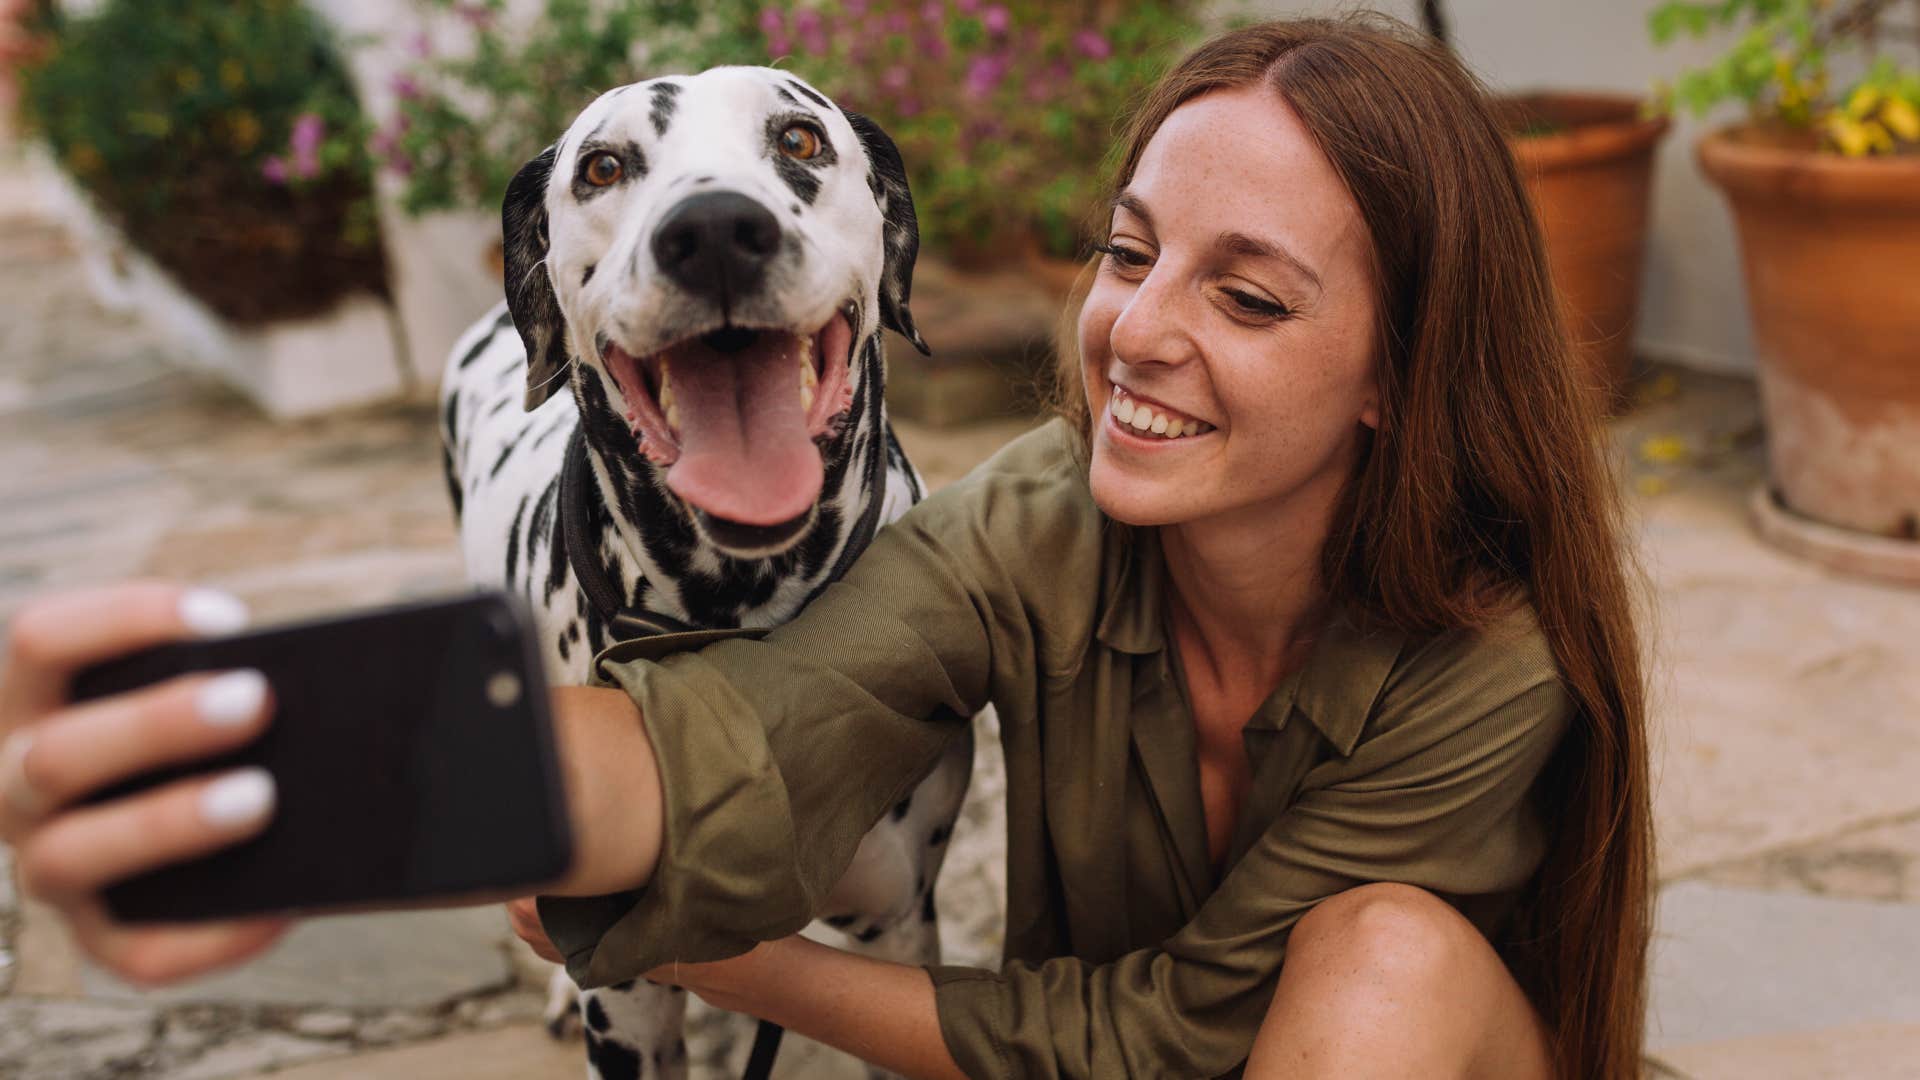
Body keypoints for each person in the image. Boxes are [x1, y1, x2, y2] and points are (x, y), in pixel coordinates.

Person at [0, 16, 1650, 1078]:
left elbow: (1163, 1033)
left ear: (1399, 372)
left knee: (1378, 962)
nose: (1136, 332)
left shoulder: (1495, 671)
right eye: (1128, 251)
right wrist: (287, 779)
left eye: (1250, 294)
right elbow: (751, 724)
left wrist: (730, 958)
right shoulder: (1040, 524)